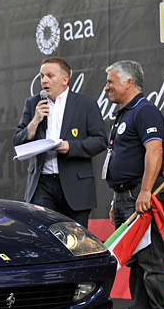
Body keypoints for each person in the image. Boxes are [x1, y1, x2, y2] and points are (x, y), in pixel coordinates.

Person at [103, 60, 164, 309]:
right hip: (125, 195)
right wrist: (115, 199)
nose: (107, 87)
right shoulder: (122, 115)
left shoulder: (145, 111)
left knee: (150, 257)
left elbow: (154, 151)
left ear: (129, 82)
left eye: (111, 82)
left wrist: (145, 192)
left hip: (141, 193)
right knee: (134, 259)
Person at [12, 57, 108, 228]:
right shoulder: (33, 103)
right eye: (42, 76)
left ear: (65, 79)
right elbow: (17, 142)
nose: (44, 80)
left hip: (75, 184)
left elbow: (100, 141)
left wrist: (71, 147)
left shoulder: (85, 104)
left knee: (75, 240)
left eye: (50, 75)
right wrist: (35, 121)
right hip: (42, 184)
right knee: (45, 237)